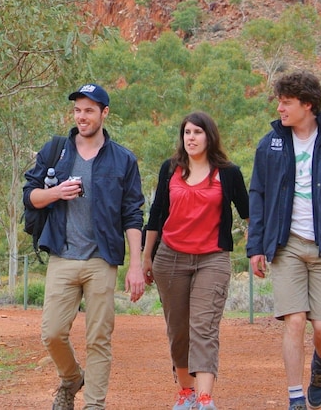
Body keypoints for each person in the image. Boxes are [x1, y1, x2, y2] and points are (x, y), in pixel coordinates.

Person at [246, 71, 321, 410]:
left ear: (307, 105)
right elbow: (258, 194)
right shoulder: (270, 144)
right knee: (295, 320)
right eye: (280, 102)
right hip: (287, 245)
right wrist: (256, 246)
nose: (280, 109)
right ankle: (295, 397)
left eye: (287, 103)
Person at [22, 83, 146, 410]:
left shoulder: (123, 160)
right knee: (51, 332)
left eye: (89, 110)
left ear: (104, 113)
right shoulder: (56, 151)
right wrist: (56, 193)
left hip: (101, 260)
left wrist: (136, 265)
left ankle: (94, 405)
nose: (82, 116)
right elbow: (29, 197)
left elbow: (133, 214)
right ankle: (72, 377)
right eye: (78, 110)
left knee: (99, 340)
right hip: (62, 255)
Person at [141, 112, 250, 410]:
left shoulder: (228, 173)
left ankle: (205, 399)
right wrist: (146, 257)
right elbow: (156, 216)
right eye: (187, 132)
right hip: (170, 258)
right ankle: (185, 392)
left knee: (204, 327)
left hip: (212, 259)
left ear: (209, 136)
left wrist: (259, 248)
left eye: (197, 132)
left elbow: (248, 212)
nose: (191, 137)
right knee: (178, 330)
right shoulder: (170, 170)